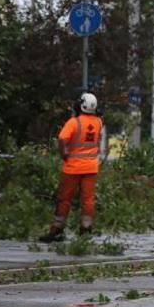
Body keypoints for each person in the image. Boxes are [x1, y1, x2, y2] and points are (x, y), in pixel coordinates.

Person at [39, 93, 103, 242]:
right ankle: (86, 229)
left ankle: (57, 230)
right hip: (91, 167)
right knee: (88, 200)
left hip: (72, 167)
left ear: (81, 105)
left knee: (65, 199)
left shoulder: (74, 122)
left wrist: (64, 153)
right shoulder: (99, 122)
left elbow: (62, 138)